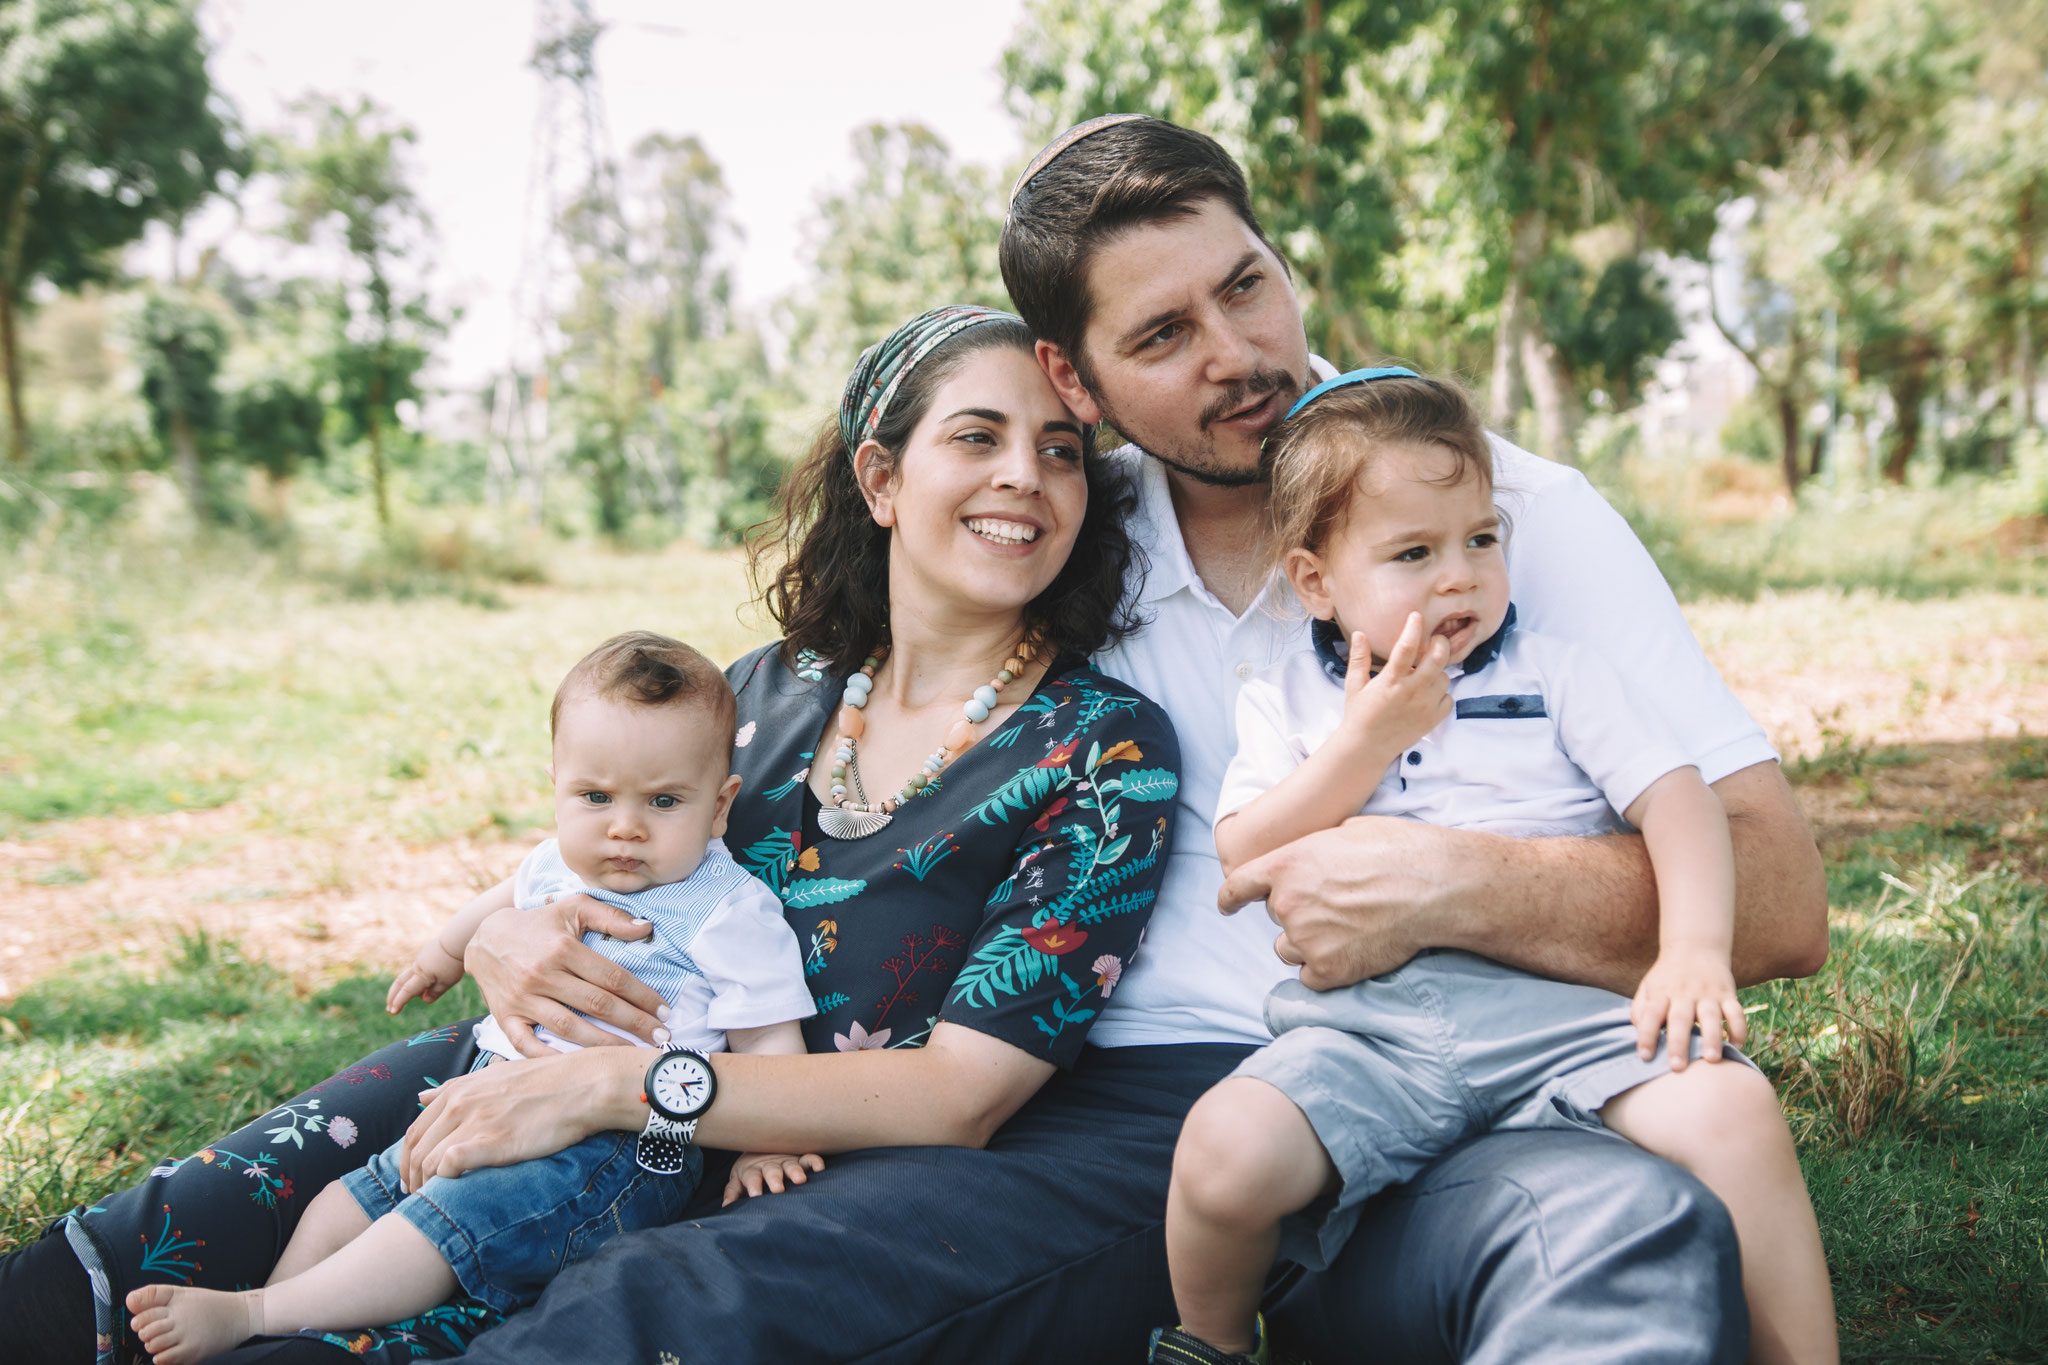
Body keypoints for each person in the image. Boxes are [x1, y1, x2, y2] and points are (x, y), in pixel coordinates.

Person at [0, 305, 1180, 1364]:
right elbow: (604, 854)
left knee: (384, 1311)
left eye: (1059, 451)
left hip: (749, 1162)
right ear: (880, 477)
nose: (1023, 475)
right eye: (977, 437)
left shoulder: (1103, 753)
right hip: (532, 1065)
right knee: (211, 1209)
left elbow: (959, 1097)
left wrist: (618, 1091)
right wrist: (500, 937)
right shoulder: (766, 690)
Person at [1148, 369, 1836, 1365]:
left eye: (1480, 539)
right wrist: (1364, 743)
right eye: (1412, 553)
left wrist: (1691, 949)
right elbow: (1244, 858)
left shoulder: (1556, 676)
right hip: (1369, 1033)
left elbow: (1678, 799)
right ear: (1315, 582)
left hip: (1566, 1015)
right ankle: (1213, 1345)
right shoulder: (1286, 699)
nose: (1458, 577)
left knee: (1733, 1110)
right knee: (1222, 1153)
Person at [122, 631, 822, 1364]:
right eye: (595, 796)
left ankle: (254, 1313)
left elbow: (768, 1037)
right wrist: (442, 954)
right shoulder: (556, 864)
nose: (625, 826)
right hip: (488, 1099)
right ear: (557, 785)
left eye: (664, 801)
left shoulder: (726, 909)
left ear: (719, 805)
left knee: (438, 1225)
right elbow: (497, 903)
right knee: (356, 1196)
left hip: (617, 1147)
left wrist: (768, 1143)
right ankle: (280, 1321)